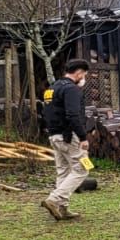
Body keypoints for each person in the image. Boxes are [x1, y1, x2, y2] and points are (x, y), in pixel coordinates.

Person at [42, 59, 92, 220]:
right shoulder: (71, 90)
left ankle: (62, 209)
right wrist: (83, 137)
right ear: (78, 73)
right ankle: (54, 199)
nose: (84, 78)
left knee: (63, 170)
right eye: (84, 74)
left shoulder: (52, 88)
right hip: (69, 136)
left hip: (54, 135)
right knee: (82, 169)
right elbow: (73, 115)